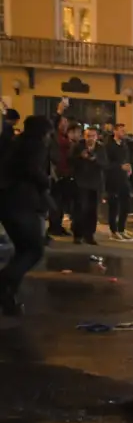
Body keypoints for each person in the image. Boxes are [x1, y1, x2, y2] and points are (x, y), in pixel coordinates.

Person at [0, 116, 55, 315]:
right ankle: (4, 283)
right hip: (21, 204)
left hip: (8, 203)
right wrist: (46, 181)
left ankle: (9, 296)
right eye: (48, 133)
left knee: (23, 250)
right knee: (33, 250)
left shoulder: (16, 143)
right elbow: (32, 170)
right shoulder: (34, 146)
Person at [71, 127, 107, 245]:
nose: (90, 138)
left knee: (92, 210)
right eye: (88, 136)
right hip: (81, 182)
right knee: (80, 208)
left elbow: (105, 163)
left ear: (97, 137)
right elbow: (70, 160)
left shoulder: (100, 148)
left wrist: (95, 159)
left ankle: (89, 235)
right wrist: (80, 157)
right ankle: (78, 234)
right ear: (84, 136)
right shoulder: (78, 146)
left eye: (93, 136)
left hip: (95, 183)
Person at [104, 123, 133, 241]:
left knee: (126, 204)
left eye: (124, 130)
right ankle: (114, 231)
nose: (124, 133)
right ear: (115, 131)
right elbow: (106, 164)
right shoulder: (109, 145)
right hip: (112, 179)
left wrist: (128, 167)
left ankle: (121, 228)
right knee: (114, 206)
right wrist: (120, 167)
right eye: (121, 131)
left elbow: (126, 159)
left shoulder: (124, 145)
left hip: (123, 178)